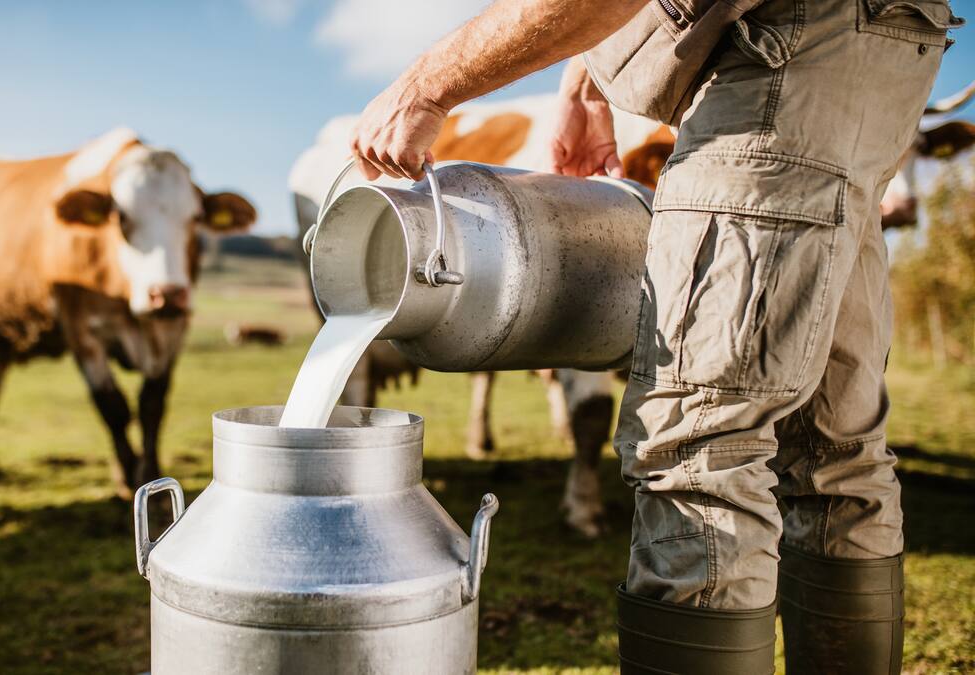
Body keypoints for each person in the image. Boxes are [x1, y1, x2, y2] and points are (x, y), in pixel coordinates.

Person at [348, 0, 959, 672]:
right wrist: (585, 84)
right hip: (867, 50)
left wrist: (426, 83)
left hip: (778, 56)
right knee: (831, 447)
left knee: (699, 447)